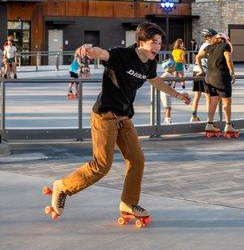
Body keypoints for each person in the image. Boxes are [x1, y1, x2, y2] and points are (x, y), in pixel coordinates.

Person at [48, 22, 191, 219]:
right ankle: (62, 187)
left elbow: (154, 80)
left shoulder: (149, 63)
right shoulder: (122, 55)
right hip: (105, 116)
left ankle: (128, 203)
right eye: (153, 42)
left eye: (159, 43)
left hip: (124, 118)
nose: (157, 47)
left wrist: (177, 94)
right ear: (141, 42)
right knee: (101, 165)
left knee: (137, 160)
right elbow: (102, 53)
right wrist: (88, 49)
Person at [196, 32, 239, 137]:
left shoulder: (209, 47)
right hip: (221, 77)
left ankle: (209, 124)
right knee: (227, 102)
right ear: (224, 40)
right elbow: (228, 59)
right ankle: (228, 125)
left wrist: (201, 70)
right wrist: (232, 73)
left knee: (213, 101)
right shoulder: (225, 46)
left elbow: (198, 57)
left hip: (209, 77)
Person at [190, 28, 217, 122]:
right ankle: (209, 119)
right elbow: (198, 57)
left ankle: (194, 116)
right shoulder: (208, 46)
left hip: (196, 70)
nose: (215, 38)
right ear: (209, 37)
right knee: (208, 96)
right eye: (214, 36)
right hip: (202, 72)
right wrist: (202, 70)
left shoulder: (205, 45)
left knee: (197, 95)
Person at [160, 58, 176, 124]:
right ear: (169, 68)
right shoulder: (166, 74)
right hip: (165, 93)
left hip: (168, 93)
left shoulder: (171, 74)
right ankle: (167, 120)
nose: (174, 68)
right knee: (168, 107)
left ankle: (166, 119)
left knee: (167, 107)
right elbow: (161, 78)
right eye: (173, 66)